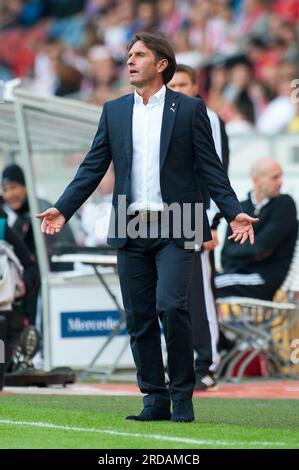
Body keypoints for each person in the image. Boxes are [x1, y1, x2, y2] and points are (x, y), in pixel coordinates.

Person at [36, 32, 258, 423]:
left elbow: (210, 168)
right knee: (139, 316)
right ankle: (154, 398)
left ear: (161, 64)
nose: (130, 60)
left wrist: (232, 210)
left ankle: (182, 396)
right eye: (128, 55)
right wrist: (63, 208)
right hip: (131, 222)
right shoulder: (114, 111)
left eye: (138, 54)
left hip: (181, 221)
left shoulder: (190, 110)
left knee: (172, 306)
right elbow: (93, 167)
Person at [168, 64, 228, 391]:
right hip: (168, 214)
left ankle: (207, 364)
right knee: (173, 294)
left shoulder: (206, 116)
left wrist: (213, 220)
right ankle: (181, 364)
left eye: (183, 83)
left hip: (195, 213)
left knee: (198, 291)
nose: (177, 88)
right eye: (173, 83)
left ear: (195, 86)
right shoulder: (163, 114)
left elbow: (216, 169)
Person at [1, 163, 76, 324]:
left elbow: (58, 245)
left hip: (41, 282)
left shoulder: (40, 210)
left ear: (25, 186)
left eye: (14, 187)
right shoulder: (6, 215)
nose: (10, 194)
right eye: (5, 189)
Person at [216, 157, 298, 301]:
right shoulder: (240, 208)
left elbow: (261, 247)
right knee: (196, 282)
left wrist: (241, 253)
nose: (281, 182)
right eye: (275, 177)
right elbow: (226, 253)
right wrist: (251, 255)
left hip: (264, 279)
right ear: (256, 180)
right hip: (237, 275)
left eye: (281, 176)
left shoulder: (285, 205)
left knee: (206, 284)